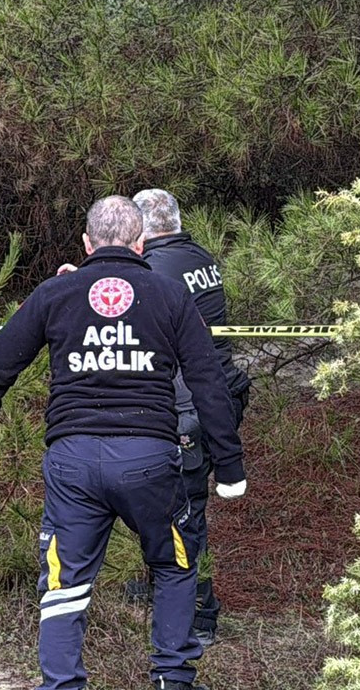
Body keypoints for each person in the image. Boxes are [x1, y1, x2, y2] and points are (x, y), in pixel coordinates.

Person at [0, 196, 246, 690]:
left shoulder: (57, 291)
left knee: (64, 582)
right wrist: (229, 461)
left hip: (71, 460)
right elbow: (208, 381)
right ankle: (173, 678)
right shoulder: (169, 294)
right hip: (150, 460)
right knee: (175, 564)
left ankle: (63, 684)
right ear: (140, 243)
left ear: (87, 243)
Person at [132, 188, 252, 646]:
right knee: (172, 506)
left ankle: (200, 611)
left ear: (140, 230)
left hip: (187, 404)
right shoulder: (198, 256)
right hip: (216, 394)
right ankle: (167, 584)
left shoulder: (154, 269)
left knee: (186, 513)